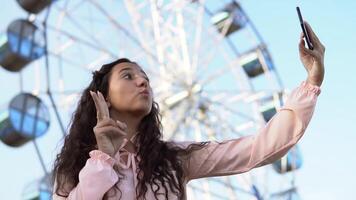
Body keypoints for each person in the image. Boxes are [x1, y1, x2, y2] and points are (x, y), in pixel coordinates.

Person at [52, 21, 325, 200]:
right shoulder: (74, 166)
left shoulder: (175, 159)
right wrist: (102, 159)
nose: (143, 81)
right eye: (127, 76)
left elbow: (259, 149)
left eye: (144, 76)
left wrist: (312, 82)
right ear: (104, 97)